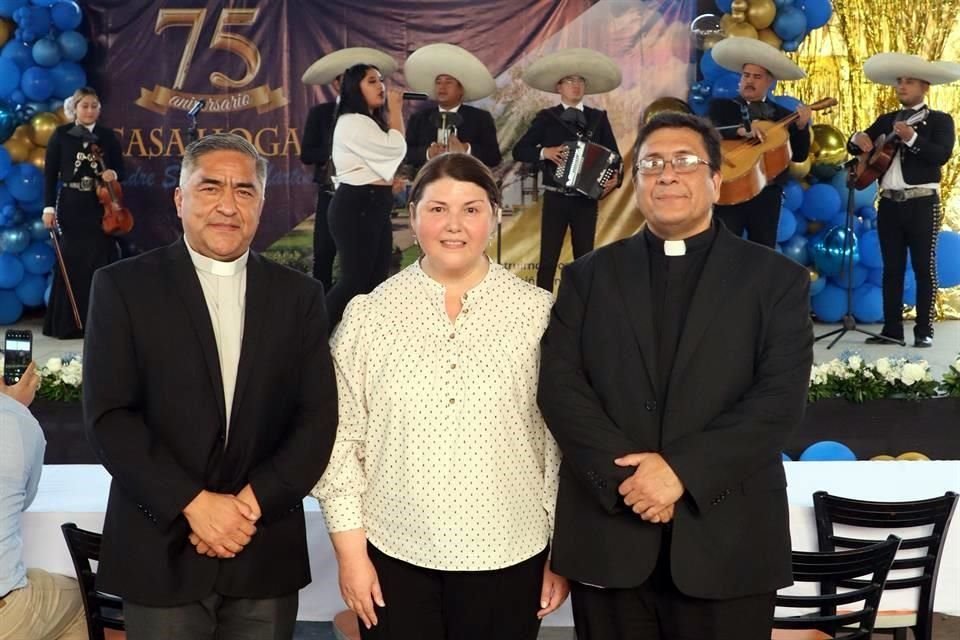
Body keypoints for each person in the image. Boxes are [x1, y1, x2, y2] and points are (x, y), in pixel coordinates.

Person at [537, 112, 813, 640]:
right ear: (635, 182)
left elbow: (777, 402)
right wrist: (632, 482)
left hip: (728, 543)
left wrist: (680, 472)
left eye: (684, 162)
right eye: (651, 164)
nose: (667, 175)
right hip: (611, 535)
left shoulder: (775, 281)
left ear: (714, 179)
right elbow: (561, 387)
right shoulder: (589, 277)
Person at [82, 132, 338, 639]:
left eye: (244, 191)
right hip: (161, 546)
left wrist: (248, 507)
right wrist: (196, 505)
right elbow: (110, 417)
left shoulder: (301, 296)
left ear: (261, 205)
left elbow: (316, 419)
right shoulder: (122, 287)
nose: (227, 205)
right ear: (180, 199)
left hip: (262, 546)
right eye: (210, 188)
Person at [313, 153, 567, 640]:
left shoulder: (539, 314)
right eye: (437, 209)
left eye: (471, 209)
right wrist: (351, 555)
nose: (454, 225)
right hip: (392, 553)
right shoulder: (369, 315)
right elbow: (340, 441)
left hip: (512, 552)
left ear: (495, 215)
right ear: (412, 217)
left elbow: (556, 445)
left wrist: (562, 551)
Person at [850, 53, 959, 348]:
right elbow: (859, 142)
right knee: (893, 268)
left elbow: (941, 155)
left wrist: (912, 138)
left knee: (924, 267)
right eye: (899, 82)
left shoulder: (939, 120)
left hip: (922, 202)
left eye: (908, 82)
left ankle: (924, 330)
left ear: (925, 87)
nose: (901, 86)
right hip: (888, 202)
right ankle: (892, 329)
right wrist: (858, 137)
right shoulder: (887, 119)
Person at [513, 48, 622, 292]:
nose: (576, 85)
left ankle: (583, 307)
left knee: (586, 258)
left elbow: (614, 158)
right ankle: (540, 307)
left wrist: (614, 180)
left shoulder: (598, 118)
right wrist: (546, 152)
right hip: (555, 197)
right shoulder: (547, 117)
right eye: (570, 81)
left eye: (580, 81)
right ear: (558, 87)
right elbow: (520, 151)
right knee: (548, 259)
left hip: (586, 201)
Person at [0, 362, 88, 640]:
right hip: (5, 610)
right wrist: (13, 406)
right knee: (81, 598)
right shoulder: (13, 420)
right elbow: (22, 499)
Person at [301, 48, 399, 291]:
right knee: (325, 253)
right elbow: (307, 153)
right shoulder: (322, 114)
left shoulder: (374, 117)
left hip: (369, 195)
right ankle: (321, 320)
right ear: (338, 84)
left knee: (369, 270)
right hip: (334, 190)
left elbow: (388, 153)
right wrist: (341, 148)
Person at [707, 37, 812, 248]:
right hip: (730, 189)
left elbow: (799, 155)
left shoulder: (783, 116)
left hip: (766, 196)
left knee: (763, 252)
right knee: (724, 250)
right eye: (746, 75)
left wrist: (801, 128)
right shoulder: (721, 108)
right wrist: (741, 130)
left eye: (757, 77)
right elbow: (708, 134)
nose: (749, 81)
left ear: (769, 82)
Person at [324, 63, 407, 329]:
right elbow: (394, 148)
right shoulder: (353, 121)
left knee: (375, 280)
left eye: (381, 80)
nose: (381, 86)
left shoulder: (366, 122)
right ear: (354, 88)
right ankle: (310, 339)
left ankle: (363, 342)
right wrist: (396, 111)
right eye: (372, 81)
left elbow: (380, 163)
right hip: (357, 204)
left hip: (373, 203)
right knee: (355, 280)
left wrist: (386, 183)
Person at [42, 86, 125, 339]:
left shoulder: (107, 136)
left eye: (94, 106)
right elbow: (49, 175)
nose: (89, 110)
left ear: (99, 109)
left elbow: (121, 169)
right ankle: (68, 324)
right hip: (71, 204)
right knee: (71, 260)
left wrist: (113, 174)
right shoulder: (62, 135)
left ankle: (96, 323)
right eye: (85, 105)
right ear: (75, 108)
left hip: (99, 206)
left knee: (98, 261)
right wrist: (48, 208)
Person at [403, 43, 501, 172]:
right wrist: (428, 153)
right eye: (438, 82)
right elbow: (406, 154)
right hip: (429, 181)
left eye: (448, 82)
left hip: (466, 181)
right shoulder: (419, 118)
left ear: (461, 89)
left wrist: (466, 149)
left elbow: (494, 157)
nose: (442, 87)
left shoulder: (480, 118)